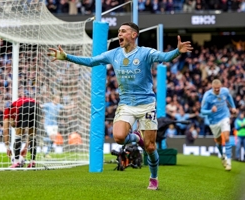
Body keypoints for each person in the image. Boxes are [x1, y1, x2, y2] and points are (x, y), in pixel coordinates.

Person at [48, 22, 193, 190]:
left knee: (150, 147)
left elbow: (164, 57)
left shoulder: (146, 53)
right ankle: (136, 137)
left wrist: (177, 52)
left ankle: (153, 177)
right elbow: (91, 61)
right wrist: (67, 57)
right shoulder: (114, 54)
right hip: (126, 104)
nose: (119, 34)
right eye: (118, 31)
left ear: (133, 35)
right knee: (118, 137)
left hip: (146, 105)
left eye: (123, 31)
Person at [201, 79, 237, 171]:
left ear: (221, 86)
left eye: (219, 88)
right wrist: (210, 111)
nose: (217, 90)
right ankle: (222, 156)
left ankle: (229, 161)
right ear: (212, 87)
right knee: (218, 141)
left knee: (227, 137)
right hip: (214, 121)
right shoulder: (207, 96)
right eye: (215, 88)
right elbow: (202, 111)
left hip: (225, 116)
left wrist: (233, 107)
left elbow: (229, 97)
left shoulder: (225, 91)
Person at [3, 93, 42, 168]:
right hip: (36, 106)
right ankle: (32, 162)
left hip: (24, 106)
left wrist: (7, 147)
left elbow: (5, 131)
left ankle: (17, 162)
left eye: (12, 125)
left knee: (18, 135)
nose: (13, 126)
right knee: (32, 136)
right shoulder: (15, 107)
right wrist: (26, 147)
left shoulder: (7, 111)